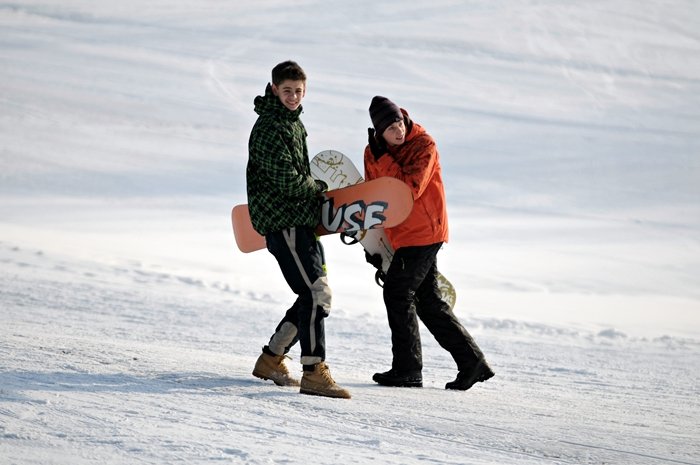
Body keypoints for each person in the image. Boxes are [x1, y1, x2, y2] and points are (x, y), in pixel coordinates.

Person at [363, 96, 494, 391]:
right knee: (429, 303)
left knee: (398, 294)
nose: (398, 131)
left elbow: (407, 190)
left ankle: (408, 369)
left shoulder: (424, 145)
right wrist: (375, 242)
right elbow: (374, 194)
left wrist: (384, 158)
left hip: (425, 232)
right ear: (378, 132)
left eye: (399, 123)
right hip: (401, 235)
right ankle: (472, 363)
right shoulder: (371, 153)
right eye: (391, 128)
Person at [246, 60, 350, 399]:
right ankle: (314, 370)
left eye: (299, 91)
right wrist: (318, 186)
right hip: (284, 221)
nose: (293, 96)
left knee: (313, 295)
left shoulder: (292, 123)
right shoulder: (269, 127)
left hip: (300, 222)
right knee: (316, 295)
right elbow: (287, 181)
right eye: (287, 90)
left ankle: (272, 359)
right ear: (274, 89)